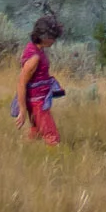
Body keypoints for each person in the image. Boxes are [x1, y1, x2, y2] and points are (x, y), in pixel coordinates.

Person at [14, 15, 66, 145]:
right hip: (37, 104)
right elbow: (21, 83)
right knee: (52, 136)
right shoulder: (35, 58)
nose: (54, 40)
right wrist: (22, 110)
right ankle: (55, 157)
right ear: (44, 36)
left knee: (36, 133)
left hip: (37, 101)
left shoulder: (35, 48)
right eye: (52, 37)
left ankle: (24, 150)